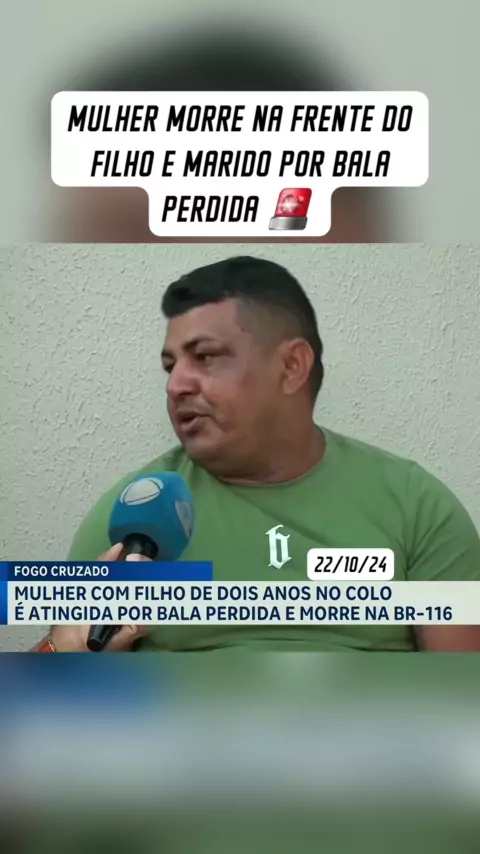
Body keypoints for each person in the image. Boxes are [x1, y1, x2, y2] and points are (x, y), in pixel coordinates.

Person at [34, 255, 480, 653]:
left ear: (291, 367)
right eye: (171, 366)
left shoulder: (416, 507)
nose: (175, 385)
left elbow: (460, 699)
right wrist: (63, 649)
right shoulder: (132, 516)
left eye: (205, 357)